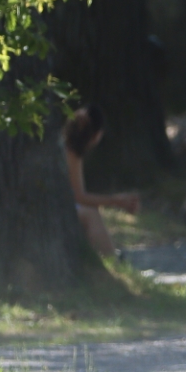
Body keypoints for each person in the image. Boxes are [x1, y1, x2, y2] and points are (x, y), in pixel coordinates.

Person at [63, 105, 140, 259]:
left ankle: (104, 256)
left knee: (90, 210)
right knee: (91, 213)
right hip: (58, 208)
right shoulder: (72, 153)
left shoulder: (64, 146)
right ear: (97, 135)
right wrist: (116, 201)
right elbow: (79, 197)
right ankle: (111, 259)